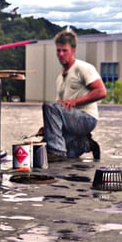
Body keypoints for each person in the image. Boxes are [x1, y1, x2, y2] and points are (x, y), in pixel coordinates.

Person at [41, 29, 107, 162]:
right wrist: (49, 127)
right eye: (58, 51)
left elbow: (101, 91)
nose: (60, 54)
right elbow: (58, 110)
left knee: (49, 106)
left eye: (64, 50)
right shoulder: (60, 78)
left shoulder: (82, 68)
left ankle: (56, 152)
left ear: (73, 50)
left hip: (86, 118)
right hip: (71, 121)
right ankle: (85, 144)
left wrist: (75, 102)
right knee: (67, 154)